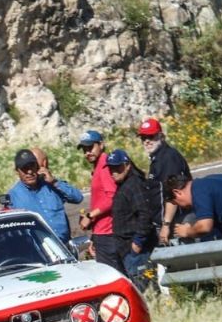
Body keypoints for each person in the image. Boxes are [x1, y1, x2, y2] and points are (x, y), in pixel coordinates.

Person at [107, 150, 161, 289]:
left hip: (137, 251)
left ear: (127, 165)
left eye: (117, 167)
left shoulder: (134, 184)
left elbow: (146, 214)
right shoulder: (125, 185)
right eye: (110, 168)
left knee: (148, 292)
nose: (113, 171)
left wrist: (138, 242)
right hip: (127, 250)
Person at [7, 148, 83, 243]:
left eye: (32, 166)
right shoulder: (13, 196)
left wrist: (55, 182)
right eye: (25, 169)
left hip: (65, 246)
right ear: (17, 171)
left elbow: (78, 198)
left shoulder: (51, 184)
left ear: (37, 167)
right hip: (39, 252)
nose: (30, 172)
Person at [137, 118, 192, 244]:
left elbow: (173, 193)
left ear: (161, 136)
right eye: (143, 138)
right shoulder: (158, 158)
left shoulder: (168, 158)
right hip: (166, 223)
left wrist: (166, 225)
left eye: (150, 136)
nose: (146, 141)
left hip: (177, 222)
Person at [75, 130, 120, 270]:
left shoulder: (105, 165)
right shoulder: (98, 166)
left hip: (108, 233)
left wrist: (90, 215)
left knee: (113, 274)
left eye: (90, 147)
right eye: (84, 149)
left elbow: (112, 198)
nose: (87, 152)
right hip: (102, 232)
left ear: (101, 145)